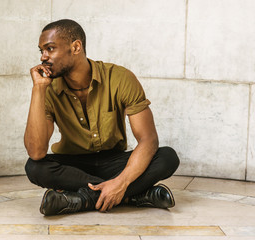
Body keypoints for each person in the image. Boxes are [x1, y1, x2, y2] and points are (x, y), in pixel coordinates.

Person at [24, 19, 179, 216]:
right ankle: (133, 196)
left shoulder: (120, 78)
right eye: (41, 51)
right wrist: (38, 89)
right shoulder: (48, 89)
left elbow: (148, 139)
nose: (43, 57)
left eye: (50, 49)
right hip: (74, 168)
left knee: (166, 157)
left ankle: (82, 199)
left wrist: (121, 181)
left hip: (114, 162)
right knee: (35, 167)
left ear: (76, 47)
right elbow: (36, 151)